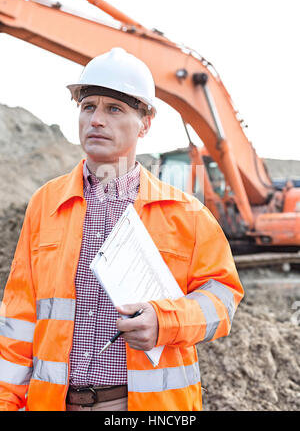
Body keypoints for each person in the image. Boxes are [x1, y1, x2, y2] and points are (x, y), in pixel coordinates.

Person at [0, 48, 244, 411]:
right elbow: (18, 316)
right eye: (88, 107)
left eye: (114, 109)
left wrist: (165, 322)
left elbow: (223, 299)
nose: (96, 120)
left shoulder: (186, 214)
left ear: (145, 123)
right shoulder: (44, 204)